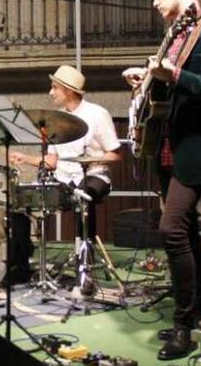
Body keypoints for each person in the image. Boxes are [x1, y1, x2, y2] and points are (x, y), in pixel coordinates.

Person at [122, 0, 201, 360]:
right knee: (185, 235)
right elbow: (171, 87)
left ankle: (184, 324)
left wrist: (173, 73)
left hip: (196, 148)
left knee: (171, 229)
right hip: (170, 145)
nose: (154, 2)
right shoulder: (175, 36)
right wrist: (147, 79)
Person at [9, 65, 122, 243]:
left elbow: (114, 155)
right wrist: (25, 158)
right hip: (63, 177)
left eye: (55, 87)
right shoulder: (56, 119)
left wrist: (90, 161)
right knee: (26, 195)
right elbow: (52, 162)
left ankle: (86, 253)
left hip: (93, 175)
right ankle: (28, 251)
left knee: (83, 195)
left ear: (68, 91)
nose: (50, 92)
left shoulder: (98, 114)